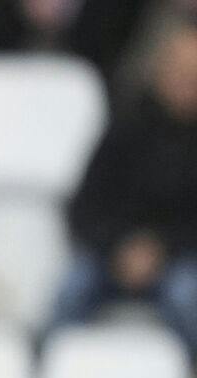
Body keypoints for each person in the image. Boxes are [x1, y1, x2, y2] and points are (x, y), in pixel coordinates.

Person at [51, 19, 197, 357]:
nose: (187, 84)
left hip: (181, 258)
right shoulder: (126, 126)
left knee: (187, 295)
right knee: (71, 288)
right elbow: (84, 206)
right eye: (180, 72)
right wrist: (121, 247)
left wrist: (161, 249)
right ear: (161, 69)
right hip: (113, 255)